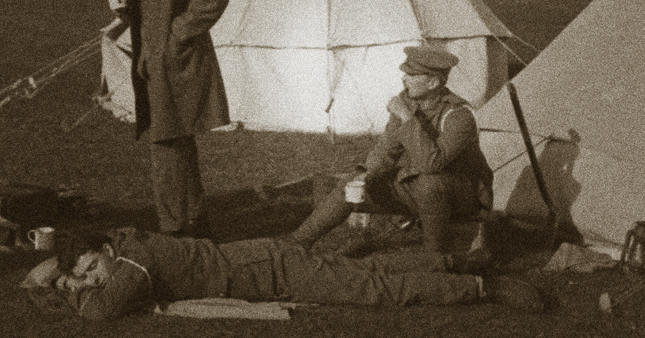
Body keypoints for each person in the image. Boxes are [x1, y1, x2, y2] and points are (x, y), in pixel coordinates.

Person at [36, 227, 543, 320]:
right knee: (361, 271)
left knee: (373, 289)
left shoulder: (132, 264)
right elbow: (96, 286)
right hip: (261, 260)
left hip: (269, 271)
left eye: (90, 268)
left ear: (105, 250)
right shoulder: (125, 243)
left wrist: (69, 291)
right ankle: (457, 262)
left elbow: (100, 313)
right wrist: (73, 275)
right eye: (83, 275)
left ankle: (482, 286)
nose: (93, 278)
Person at [107, 0, 230, 238]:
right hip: (152, 59)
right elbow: (147, 2)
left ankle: (177, 229)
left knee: (169, 143)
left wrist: (177, 33)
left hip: (177, 60)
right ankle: (190, 223)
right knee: (171, 143)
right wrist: (126, 11)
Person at [292, 45, 494, 257]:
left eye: (411, 74)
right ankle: (296, 243)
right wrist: (365, 175)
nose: (403, 79)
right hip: (419, 188)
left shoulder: (459, 115)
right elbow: (387, 151)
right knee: (353, 181)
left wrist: (407, 118)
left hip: (463, 197)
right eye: (404, 72)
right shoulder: (408, 103)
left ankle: (436, 259)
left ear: (433, 82)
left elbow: (432, 164)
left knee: (429, 183)